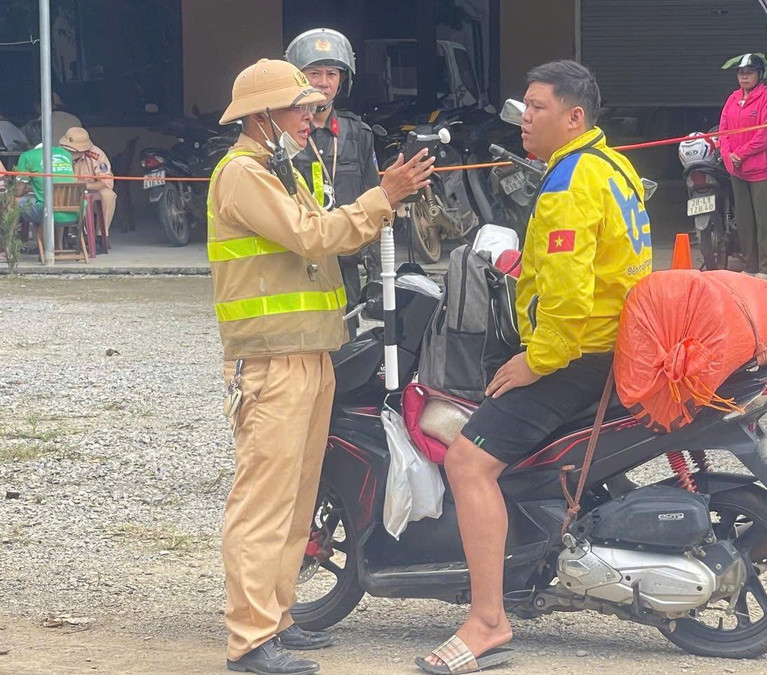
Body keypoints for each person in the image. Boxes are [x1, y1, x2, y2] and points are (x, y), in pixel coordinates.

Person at [417, 60, 653, 674]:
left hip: (575, 355)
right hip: (610, 345)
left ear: (573, 117)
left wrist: (536, 360)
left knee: (469, 462)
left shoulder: (569, 182)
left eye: (538, 108)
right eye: (524, 106)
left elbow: (572, 295)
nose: (524, 118)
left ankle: (487, 621)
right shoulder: (610, 165)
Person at [209, 58, 433, 675]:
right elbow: (313, 235)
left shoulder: (279, 171)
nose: (310, 118)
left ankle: (276, 620)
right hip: (272, 363)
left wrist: (380, 201)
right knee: (264, 501)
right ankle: (250, 640)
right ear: (262, 117)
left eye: (311, 107)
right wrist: (381, 196)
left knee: (296, 499)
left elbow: (329, 236)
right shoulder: (244, 175)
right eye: (297, 109)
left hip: (308, 355)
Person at [286, 28, 381, 338]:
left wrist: (378, 267)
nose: (323, 82)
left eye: (331, 73)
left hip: (345, 260)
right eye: (314, 72)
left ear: (343, 79)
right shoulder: (282, 136)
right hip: (297, 258)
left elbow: (375, 200)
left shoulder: (359, 134)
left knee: (346, 341)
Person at [719, 53, 767, 281]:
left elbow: (764, 135)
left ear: (759, 75)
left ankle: (766, 269)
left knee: (764, 220)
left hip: (761, 170)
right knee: (744, 220)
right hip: (737, 170)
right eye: (741, 73)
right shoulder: (732, 99)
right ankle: (751, 265)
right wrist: (728, 156)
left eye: (749, 73)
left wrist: (740, 154)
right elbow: (723, 131)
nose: (744, 77)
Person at [13, 143, 78, 250]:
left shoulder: (28, 157)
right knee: (58, 201)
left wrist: (24, 188)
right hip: (74, 213)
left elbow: (18, 192)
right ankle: (58, 246)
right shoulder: (66, 154)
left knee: (11, 201)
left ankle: (9, 248)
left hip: (47, 213)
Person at [59, 127, 116, 236]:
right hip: (63, 193)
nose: (69, 152)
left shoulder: (97, 155)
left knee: (109, 195)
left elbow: (106, 183)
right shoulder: (57, 154)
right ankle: (56, 240)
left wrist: (82, 185)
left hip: (89, 193)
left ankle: (101, 235)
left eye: (73, 150)